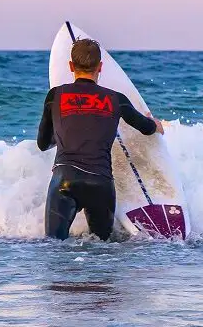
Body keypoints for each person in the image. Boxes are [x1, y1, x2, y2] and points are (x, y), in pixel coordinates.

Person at [37, 38, 163, 241]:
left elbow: (43, 144)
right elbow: (146, 128)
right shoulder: (116, 99)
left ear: (71, 66)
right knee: (102, 250)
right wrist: (155, 124)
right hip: (101, 184)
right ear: (100, 67)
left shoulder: (56, 95)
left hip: (65, 181)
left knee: (54, 247)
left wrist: (63, 135)